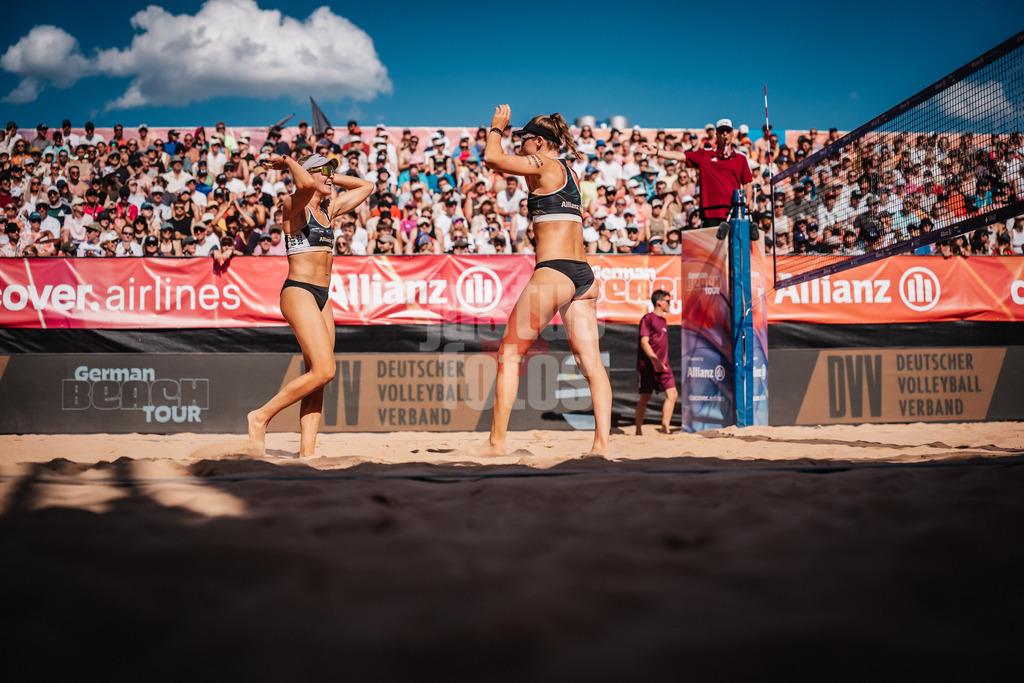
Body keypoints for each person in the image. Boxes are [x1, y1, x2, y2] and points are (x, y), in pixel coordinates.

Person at [481, 105, 611, 456]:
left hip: (554, 270)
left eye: (523, 140)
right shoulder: (571, 173)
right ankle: (600, 446)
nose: (519, 146)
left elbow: (492, 159)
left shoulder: (542, 165)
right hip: (584, 275)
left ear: (539, 142)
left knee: (509, 354)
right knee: (591, 364)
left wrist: (496, 129)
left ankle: (496, 443)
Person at [247, 153, 373, 457]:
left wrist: (328, 175)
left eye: (332, 170)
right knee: (325, 370)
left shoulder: (329, 208)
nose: (330, 175)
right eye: (324, 170)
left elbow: (366, 186)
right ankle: (260, 416)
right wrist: (290, 163)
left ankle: (306, 454)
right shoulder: (293, 206)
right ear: (307, 172)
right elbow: (304, 185)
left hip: (322, 295)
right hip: (299, 291)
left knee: (317, 378)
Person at [642, 119, 753, 240]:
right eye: (721, 131)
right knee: (713, 250)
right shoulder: (705, 155)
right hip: (710, 213)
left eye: (727, 131)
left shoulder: (741, 158)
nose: (724, 134)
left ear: (732, 133)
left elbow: (747, 183)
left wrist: (748, 200)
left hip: (733, 213)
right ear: (717, 134)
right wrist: (656, 151)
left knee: (734, 249)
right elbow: (680, 156)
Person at [635, 290, 677, 435]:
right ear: (659, 302)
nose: (670, 304)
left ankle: (665, 427)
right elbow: (644, 342)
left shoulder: (663, 321)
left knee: (672, 394)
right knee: (645, 396)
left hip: (664, 365)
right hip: (648, 365)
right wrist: (655, 361)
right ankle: (638, 430)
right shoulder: (648, 318)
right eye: (668, 301)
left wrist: (661, 363)